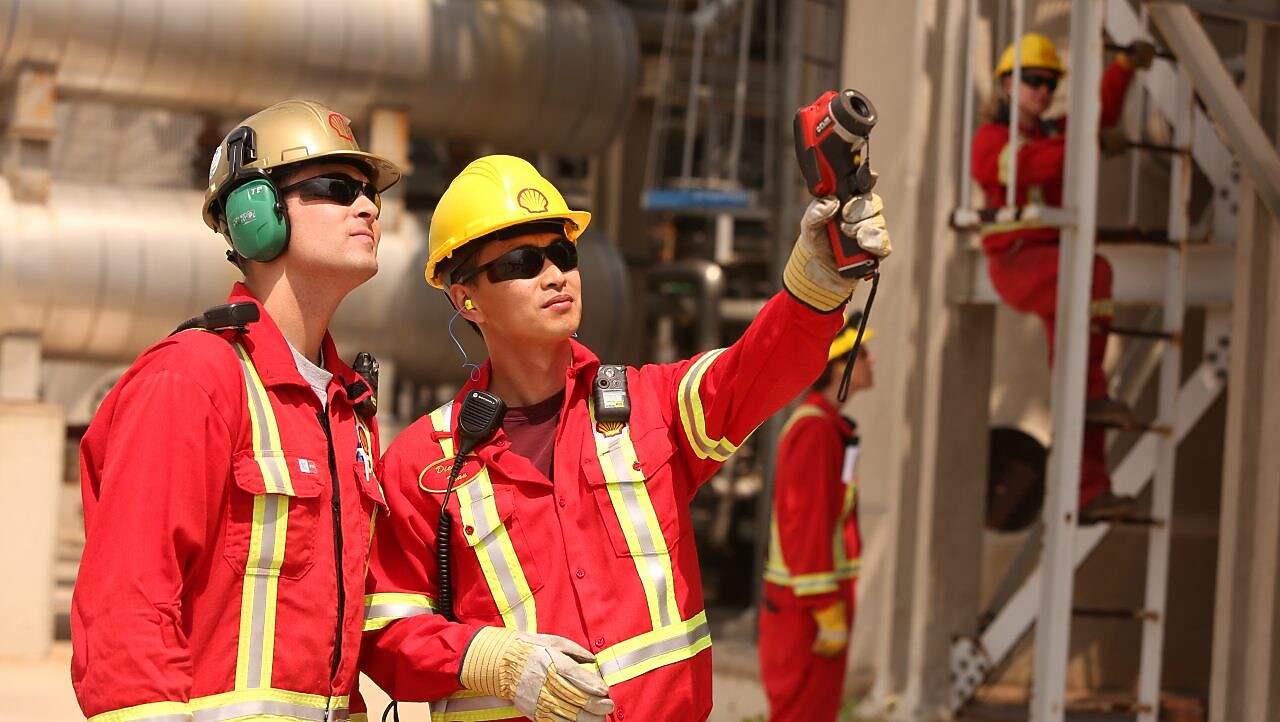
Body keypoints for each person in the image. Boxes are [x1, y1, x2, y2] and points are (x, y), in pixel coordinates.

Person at [358, 154, 892, 721]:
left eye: (563, 254)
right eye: (522, 262)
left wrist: (815, 284)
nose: (555, 275)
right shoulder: (423, 463)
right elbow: (385, 633)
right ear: (465, 299)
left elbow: (756, 368)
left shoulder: (651, 408)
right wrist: (485, 658)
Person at [71, 99, 401, 721]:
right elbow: (129, 603)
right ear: (256, 213)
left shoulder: (348, 407)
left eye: (370, 194)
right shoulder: (192, 378)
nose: (367, 208)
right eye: (336, 187)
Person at [971, 33, 1155, 520]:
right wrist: (1087, 143)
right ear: (1007, 84)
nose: (1043, 90)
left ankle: (1088, 491)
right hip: (1018, 263)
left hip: (1052, 265)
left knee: (1077, 376)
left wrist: (1122, 68)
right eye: (1033, 79)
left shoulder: (1052, 134)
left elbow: (1097, 116)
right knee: (1096, 272)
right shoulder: (992, 140)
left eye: (1050, 82)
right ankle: (1091, 396)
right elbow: (1028, 166)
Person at [758, 316, 874, 722]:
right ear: (840, 367)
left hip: (809, 609)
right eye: (864, 354)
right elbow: (805, 525)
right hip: (807, 614)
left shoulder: (826, 427)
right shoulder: (815, 431)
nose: (872, 361)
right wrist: (825, 609)